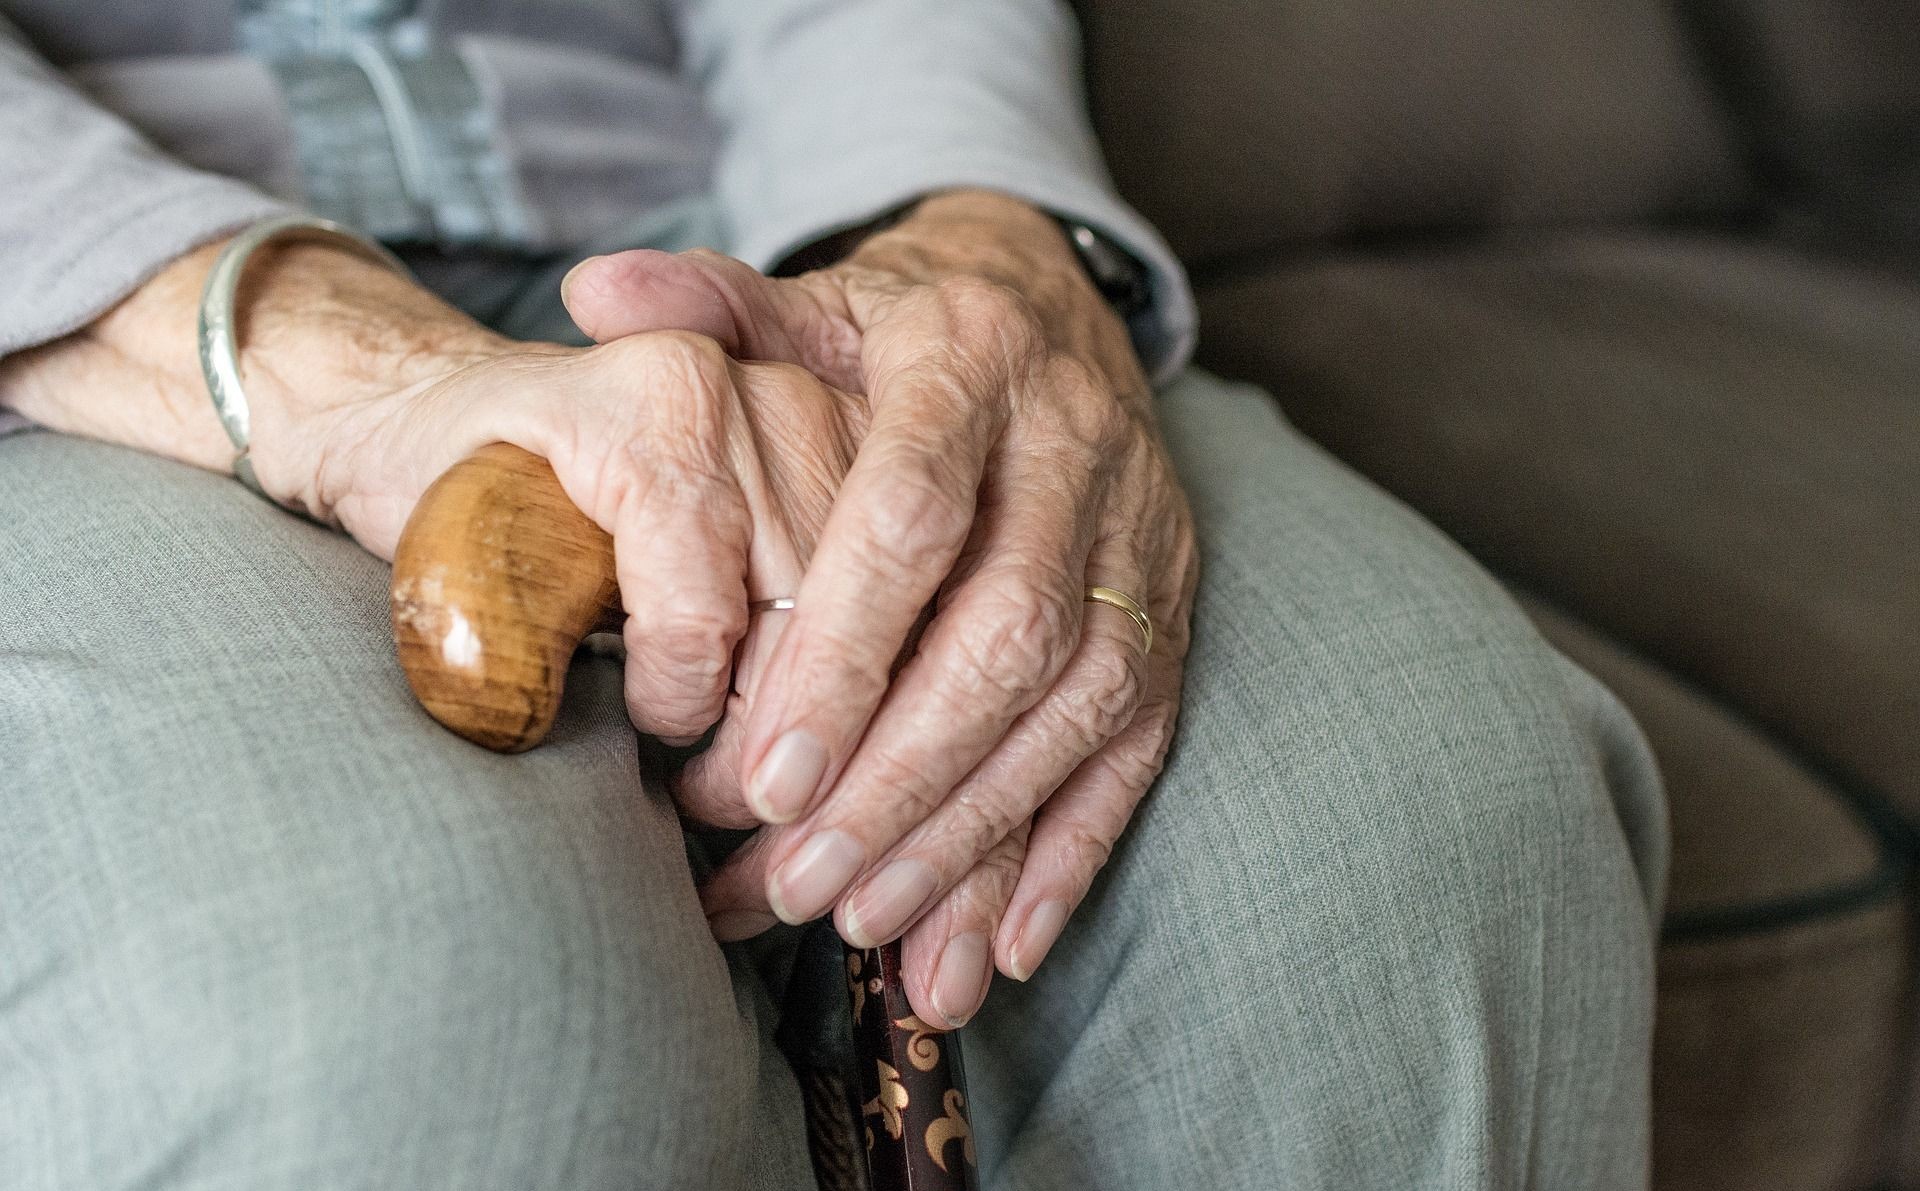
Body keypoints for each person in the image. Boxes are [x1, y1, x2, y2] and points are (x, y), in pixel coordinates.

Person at [0, 2, 1667, 1188]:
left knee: (1422, 840)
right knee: (399, 1016)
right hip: (80, 315)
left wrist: (976, 243)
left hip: (762, 252)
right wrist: (314, 354)